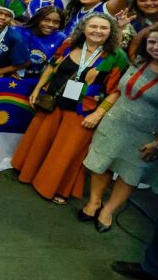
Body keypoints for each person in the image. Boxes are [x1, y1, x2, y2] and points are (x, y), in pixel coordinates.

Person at [14, 13, 129, 203]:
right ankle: (29, 174)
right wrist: (37, 89)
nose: (97, 31)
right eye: (93, 26)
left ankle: (55, 187)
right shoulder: (69, 44)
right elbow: (51, 67)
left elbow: (116, 90)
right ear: (83, 28)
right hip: (54, 101)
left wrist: (99, 114)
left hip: (83, 109)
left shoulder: (117, 57)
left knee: (66, 152)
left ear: (111, 31)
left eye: (103, 28)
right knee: (41, 141)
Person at [81, 24, 158, 233]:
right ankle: (94, 202)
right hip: (115, 121)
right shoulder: (138, 61)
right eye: (152, 42)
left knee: (130, 173)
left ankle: (108, 210)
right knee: (102, 162)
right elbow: (137, 41)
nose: (156, 47)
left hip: (147, 134)